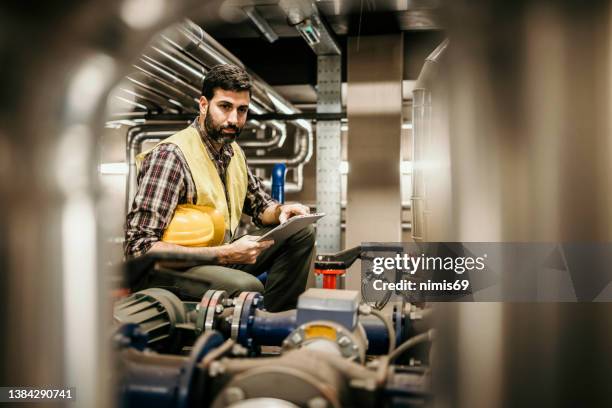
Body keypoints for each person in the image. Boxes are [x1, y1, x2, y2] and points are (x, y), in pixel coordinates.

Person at [124, 64, 314, 312]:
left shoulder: (233, 152)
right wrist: (225, 254)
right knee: (247, 286)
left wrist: (282, 212)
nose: (234, 119)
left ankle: (274, 324)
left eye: (242, 110)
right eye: (225, 107)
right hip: (168, 271)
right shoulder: (171, 156)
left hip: (218, 258)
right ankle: (252, 326)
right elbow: (139, 250)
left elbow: (259, 205)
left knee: (301, 233)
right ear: (203, 105)